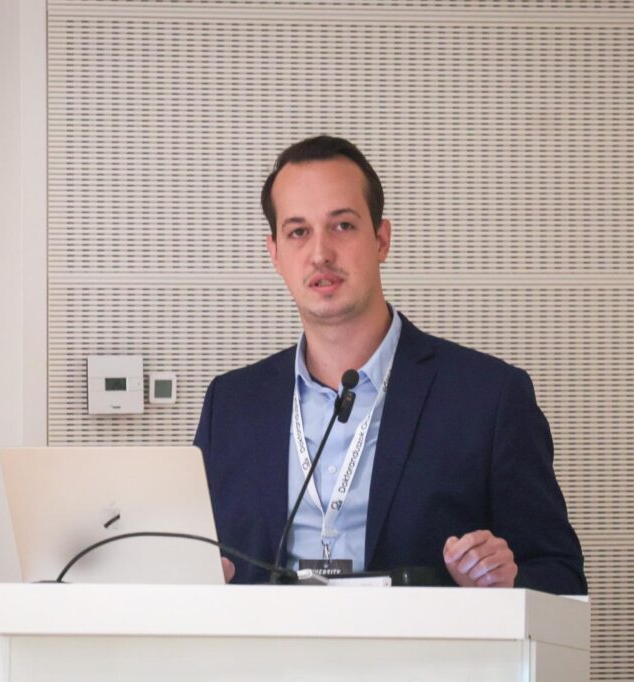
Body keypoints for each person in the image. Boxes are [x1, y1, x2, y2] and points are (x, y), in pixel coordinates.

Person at [195, 136, 586, 593]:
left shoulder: (488, 397)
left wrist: (503, 581)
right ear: (275, 253)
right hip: (265, 643)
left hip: (425, 643)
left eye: (342, 226)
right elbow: (188, 561)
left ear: (381, 240)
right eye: (298, 232)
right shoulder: (231, 404)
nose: (320, 253)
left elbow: (561, 578)